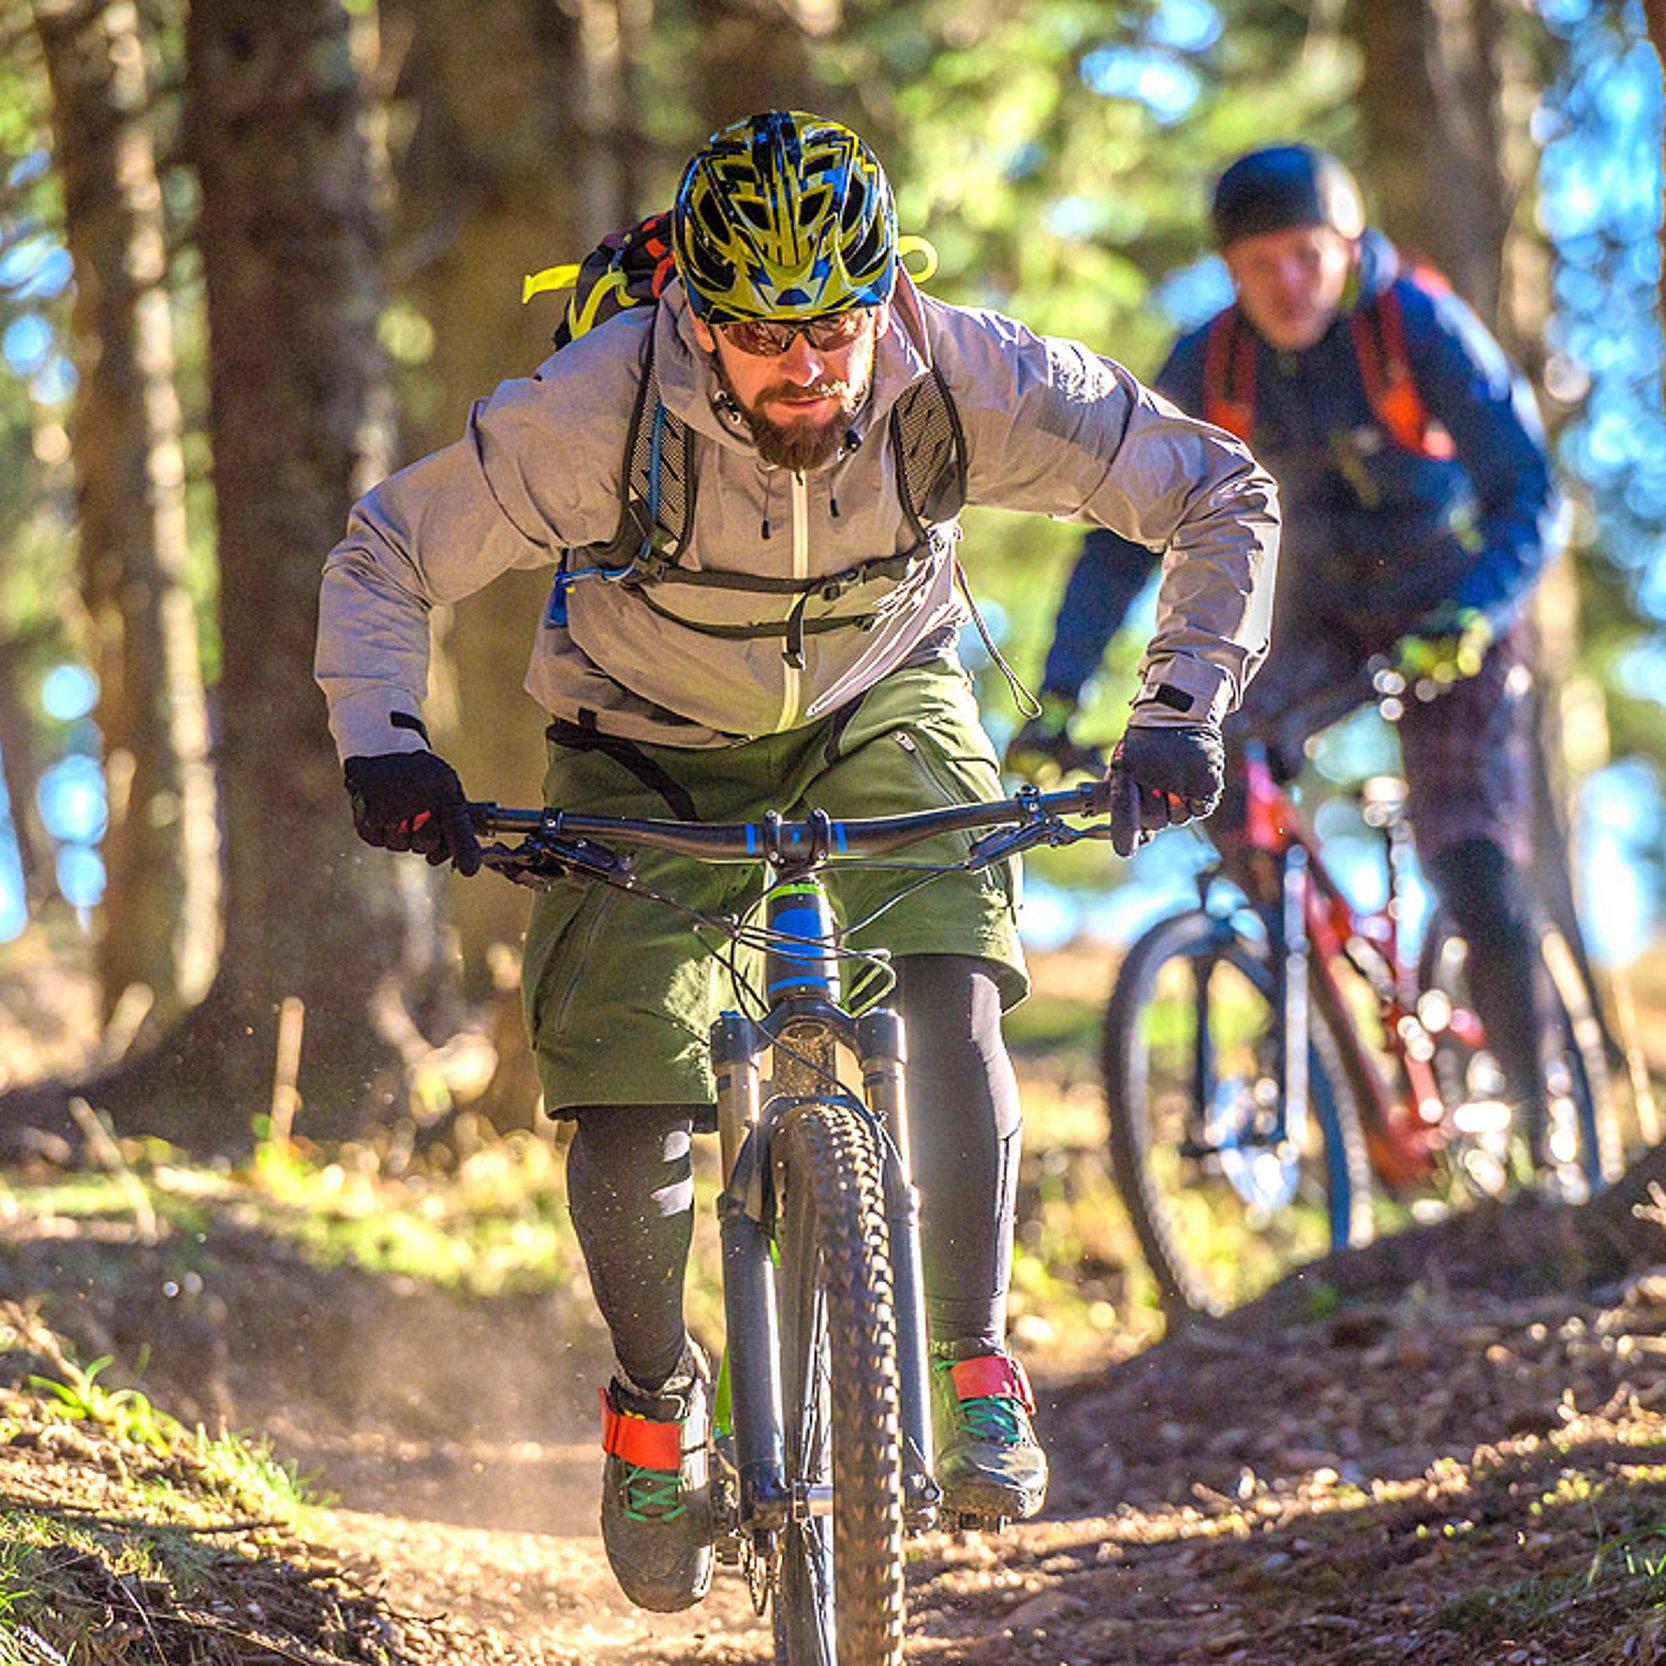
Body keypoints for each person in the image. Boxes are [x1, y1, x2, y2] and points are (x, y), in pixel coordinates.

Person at [316, 110, 1278, 1612]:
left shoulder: (970, 373)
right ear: (695, 315)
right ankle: (654, 1402)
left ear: (885, 293)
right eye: (765, 334)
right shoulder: (597, 404)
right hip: (641, 734)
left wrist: (1180, 709)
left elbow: (1218, 490)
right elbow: (388, 549)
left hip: (881, 692)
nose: (807, 366)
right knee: (627, 1078)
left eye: (833, 325)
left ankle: (971, 1359)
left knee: (955, 979)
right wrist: (385, 741)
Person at [1007, 142, 1562, 1174]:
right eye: (1259, 264)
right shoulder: (1207, 364)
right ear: (1229, 271)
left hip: (1449, 609)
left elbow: (1527, 489)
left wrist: (1479, 612)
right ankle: (1321, 1031)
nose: (1287, 284)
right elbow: (1125, 534)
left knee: (1473, 865)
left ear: (1346, 246)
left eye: (1306, 255)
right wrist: (1062, 686)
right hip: (1311, 618)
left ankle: (1550, 1142)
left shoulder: (1415, 327)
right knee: (1206, 754)